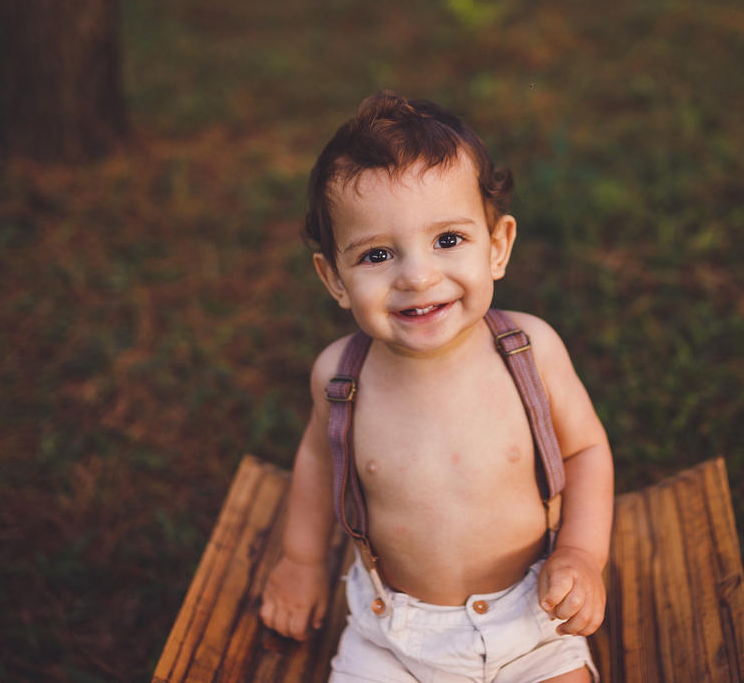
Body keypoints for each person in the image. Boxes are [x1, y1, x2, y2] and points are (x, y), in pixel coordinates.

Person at [260, 91, 613, 683]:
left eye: (448, 240)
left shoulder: (529, 351)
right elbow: (318, 463)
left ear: (497, 246)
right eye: (377, 254)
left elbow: (586, 451)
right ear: (335, 279)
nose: (418, 276)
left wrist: (580, 553)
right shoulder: (341, 376)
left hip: (529, 616)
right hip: (392, 631)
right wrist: (299, 562)